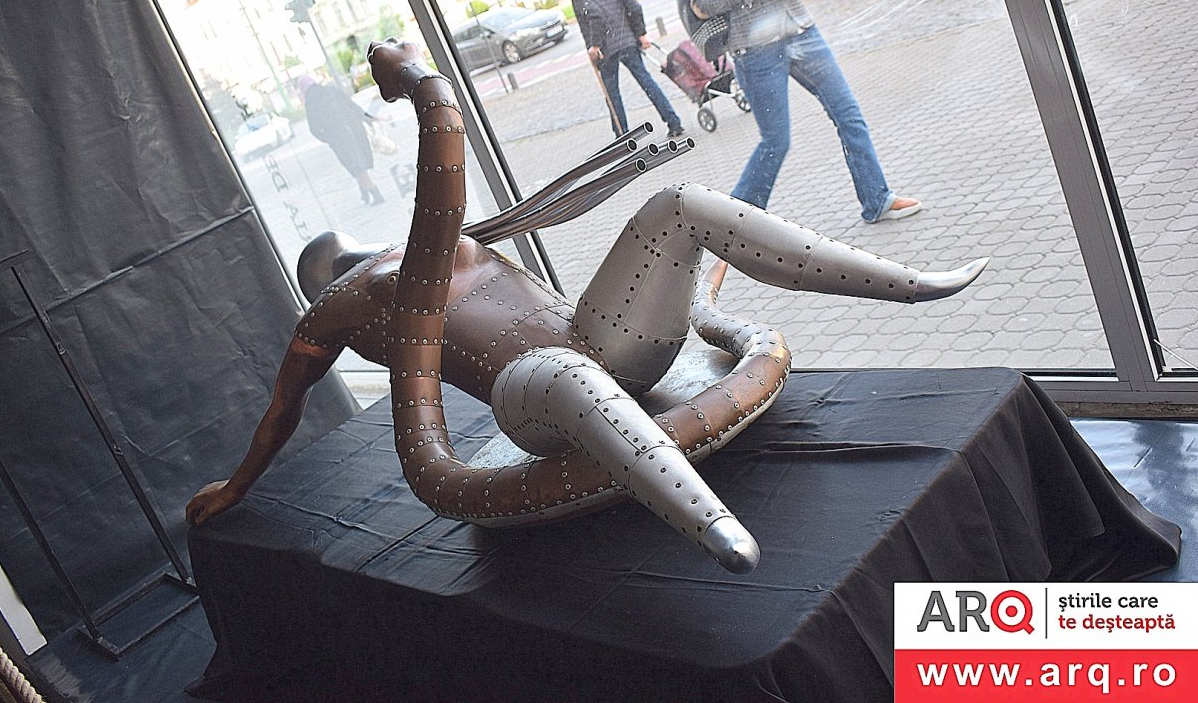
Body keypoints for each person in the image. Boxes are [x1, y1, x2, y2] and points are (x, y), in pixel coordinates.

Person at [187, 40, 985, 573]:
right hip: (538, 401)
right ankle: (715, 528)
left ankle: (910, 282)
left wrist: (236, 484)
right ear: (324, 278)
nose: (357, 255)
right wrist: (235, 488)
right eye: (338, 257)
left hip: (604, 340)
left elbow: (283, 409)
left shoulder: (435, 242)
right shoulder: (346, 304)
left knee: (678, 203)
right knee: (560, 371)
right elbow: (283, 408)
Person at [685, 0, 921, 222]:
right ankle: (730, 224)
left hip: (802, 32)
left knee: (849, 116)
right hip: (756, 50)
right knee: (776, 142)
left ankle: (876, 200)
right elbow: (701, 4)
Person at [567, 0, 686, 139]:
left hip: (606, 50)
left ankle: (623, 136)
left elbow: (595, 16)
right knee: (647, 82)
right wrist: (640, 34)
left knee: (612, 93)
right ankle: (674, 122)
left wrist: (595, 45)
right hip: (628, 41)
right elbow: (634, 7)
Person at [299, 76, 385, 206]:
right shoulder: (331, 90)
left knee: (356, 167)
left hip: (339, 139)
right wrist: (369, 119)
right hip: (355, 131)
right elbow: (352, 106)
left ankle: (375, 193)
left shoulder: (311, 103)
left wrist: (328, 138)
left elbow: (314, 129)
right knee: (358, 163)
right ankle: (364, 191)